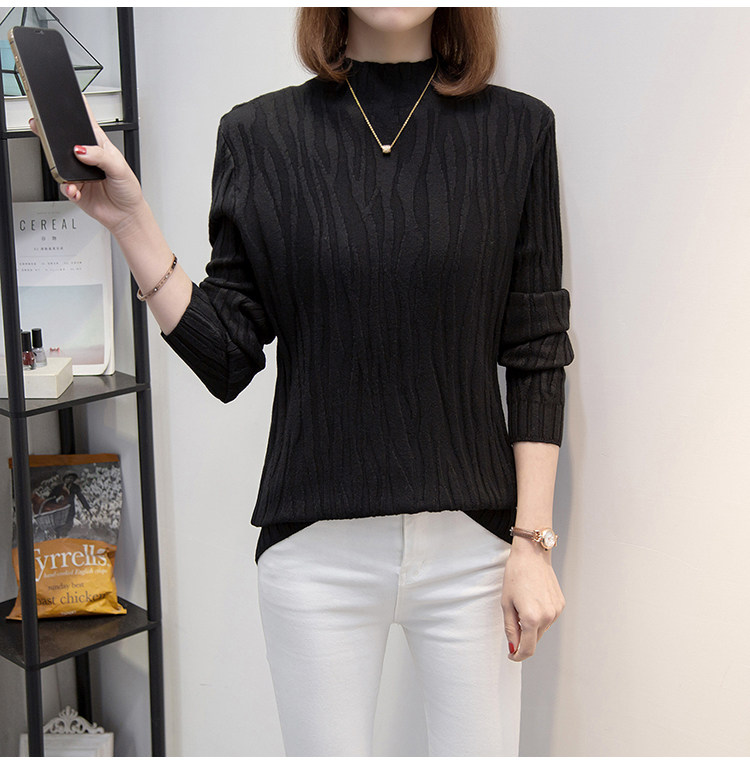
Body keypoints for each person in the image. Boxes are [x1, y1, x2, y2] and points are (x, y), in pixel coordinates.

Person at [32, 7, 574, 756]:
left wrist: (532, 544)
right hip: (316, 555)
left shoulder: (518, 131)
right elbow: (227, 355)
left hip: (476, 554)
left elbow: (536, 347)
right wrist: (131, 224)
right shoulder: (260, 136)